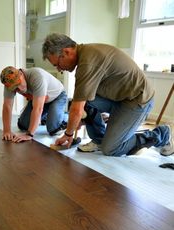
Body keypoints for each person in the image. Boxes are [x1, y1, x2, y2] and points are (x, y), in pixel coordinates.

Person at [42, 33, 174, 156]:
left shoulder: (87, 62)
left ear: (66, 52)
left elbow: (77, 110)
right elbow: (80, 105)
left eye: (57, 64)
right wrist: (80, 119)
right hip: (120, 98)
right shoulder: (85, 55)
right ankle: (99, 140)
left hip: (137, 100)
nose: (59, 69)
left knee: (111, 148)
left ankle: (162, 134)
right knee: (84, 101)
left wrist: (68, 134)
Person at [0, 66, 68, 142]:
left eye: (19, 84)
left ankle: (67, 117)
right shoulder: (8, 83)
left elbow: (38, 109)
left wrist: (29, 134)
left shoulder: (37, 77)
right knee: (23, 125)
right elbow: (7, 106)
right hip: (38, 99)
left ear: (21, 74)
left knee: (54, 129)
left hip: (57, 97)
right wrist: (6, 130)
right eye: (15, 88)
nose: (19, 89)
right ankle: (46, 117)